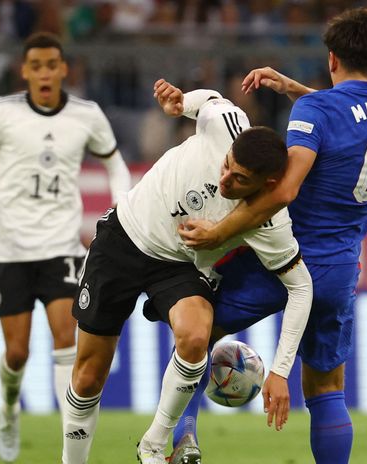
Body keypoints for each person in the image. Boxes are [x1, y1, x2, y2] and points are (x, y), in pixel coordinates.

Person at [174, 8, 367, 464]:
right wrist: (291, 89)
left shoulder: (316, 110)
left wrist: (219, 230)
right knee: (325, 388)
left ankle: (184, 438)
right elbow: (351, 112)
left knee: (197, 334)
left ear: (331, 59)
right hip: (339, 268)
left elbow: (285, 189)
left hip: (281, 257)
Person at [61, 79, 313, 464]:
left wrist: (280, 370)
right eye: (227, 166)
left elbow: (302, 287)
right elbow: (208, 100)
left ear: (269, 185)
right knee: (88, 375)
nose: (224, 179)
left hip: (180, 265)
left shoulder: (270, 221)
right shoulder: (228, 123)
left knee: (196, 337)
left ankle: (153, 444)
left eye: (239, 180)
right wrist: (180, 103)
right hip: (124, 236)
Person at [0, 32, 131, 463]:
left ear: (64, 69)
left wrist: (118, 211)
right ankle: (10, 410)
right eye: (37, 66)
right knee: (16, 352)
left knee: (67, 338)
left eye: (53, 65)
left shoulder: (87, 115)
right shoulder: (2, 113)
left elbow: (116, 167)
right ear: (24, 71)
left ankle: (71, 445)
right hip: (10, 249)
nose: (45, 73)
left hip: (61, 246)